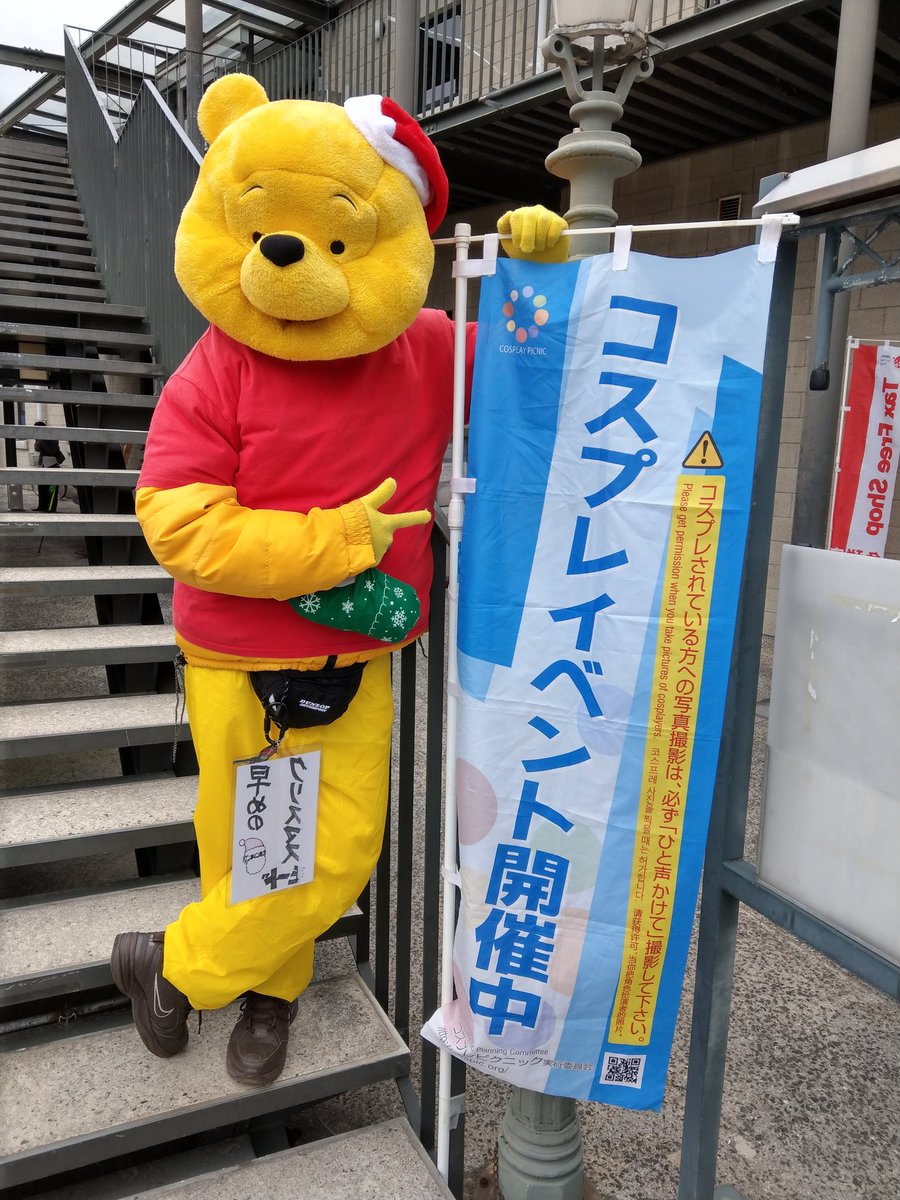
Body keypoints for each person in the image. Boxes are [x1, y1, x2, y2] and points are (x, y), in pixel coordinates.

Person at [33, 420, 65, 513]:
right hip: (43, 464)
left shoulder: (51, 437)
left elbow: (52, 450)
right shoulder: (40, 438)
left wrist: (42, 441)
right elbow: (36, 448)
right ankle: (42, 505)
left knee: (52, 488)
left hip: (52, 464)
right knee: (42, 487)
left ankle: (51, 507)